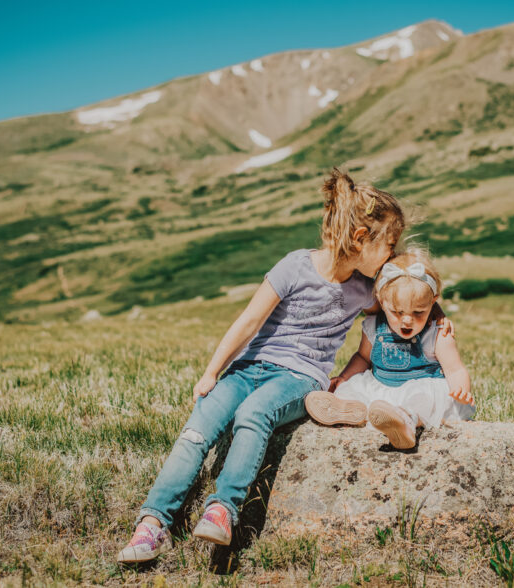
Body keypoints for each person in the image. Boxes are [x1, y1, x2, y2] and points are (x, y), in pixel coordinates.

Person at [117, 168, 406, 563]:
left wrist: (438, 319)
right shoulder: (294, 266)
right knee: (197, 429)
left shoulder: (365, 288)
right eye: (389, 245)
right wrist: (212, 372)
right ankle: (152, 524)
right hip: (248, 367)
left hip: (301, 377)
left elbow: (405, 300)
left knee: (254, 414)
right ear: (360, 239)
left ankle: (222, 509)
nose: (392, 253)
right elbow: (249, 321)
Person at [304, 248, 475, 449]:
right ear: (381, 301)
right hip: (382, 390)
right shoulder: (375, 326)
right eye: (397, 312)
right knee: (354, 389)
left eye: (419, 312)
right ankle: (346, 409)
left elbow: (455, 369)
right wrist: (344, 378)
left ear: (433, 302)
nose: (408, 320)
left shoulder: (436, 332)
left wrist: (461, 388)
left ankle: (406, 421)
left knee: (426, 399)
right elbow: (363, 358)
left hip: (419, 388)